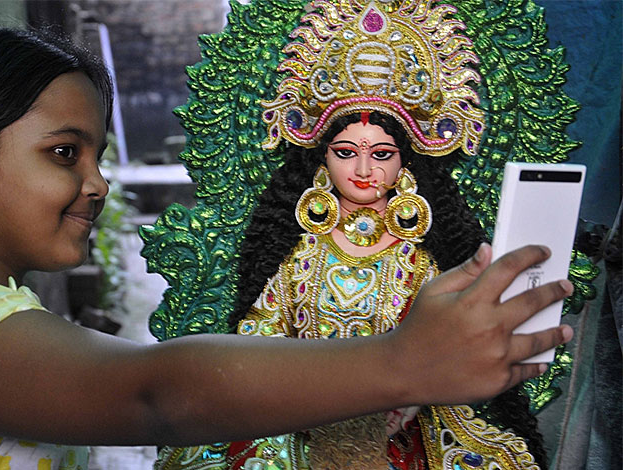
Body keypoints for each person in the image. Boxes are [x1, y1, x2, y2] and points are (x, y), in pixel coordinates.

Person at [0, 18, 572, 470]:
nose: (96, 183)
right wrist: (400, 362)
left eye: (98, 156)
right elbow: (157, 394)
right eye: (65, 153)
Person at [154, 2, 553, 469]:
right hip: (295, 425)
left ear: (407, 163)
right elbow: (256, 340)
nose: (364, 170)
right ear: (322, 159)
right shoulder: (301, 255)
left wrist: (414, 390)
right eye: (346, 152)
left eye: (382, 153)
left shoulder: (421, 263)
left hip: (405, 431)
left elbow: (451, 348)